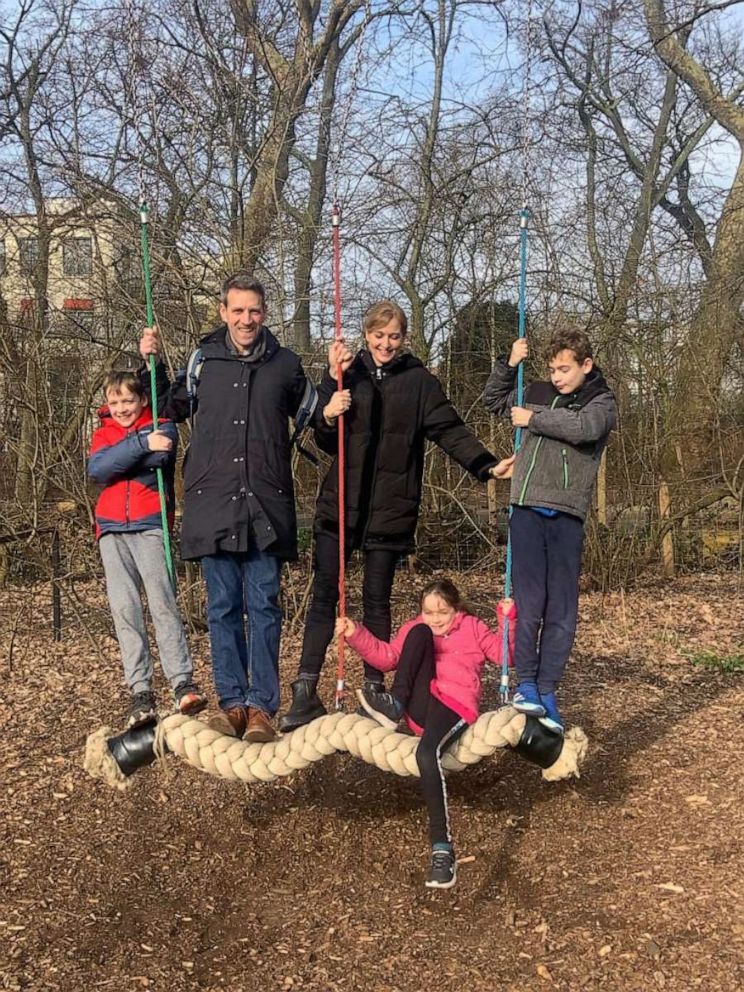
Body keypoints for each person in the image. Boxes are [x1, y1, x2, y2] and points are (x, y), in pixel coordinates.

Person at [279, 299, 514, 733]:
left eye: (394, 336)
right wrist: (332, 396)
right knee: (325, 598)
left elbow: (449, 429)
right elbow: (327, 438)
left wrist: (485, 464)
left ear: (404, 339)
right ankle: (304, 688)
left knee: (376, 602)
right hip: (341, 508)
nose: (386, 343)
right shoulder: (348, 374)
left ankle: (375, 688)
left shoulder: (420, 383)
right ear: (366, 334)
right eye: (378, 335)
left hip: (391, 510)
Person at [138, 272, 315, 743]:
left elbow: (319, 419)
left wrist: (337, 393)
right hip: (213, 502)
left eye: (254, 310)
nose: (246, 319)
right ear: (223, 312)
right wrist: (150, 365)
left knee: (264, 607)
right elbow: (166, 406)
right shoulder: (203, 362)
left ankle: (261, 708)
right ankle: (231, 703)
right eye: (237, 310)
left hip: (266, 505)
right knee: (222, 607)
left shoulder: (287, 365)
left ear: (264, 312)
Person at [482, 327, 617, 733]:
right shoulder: (535, 390)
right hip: (525, 507)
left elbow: (585, 429)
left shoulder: (602, 401)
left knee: (561, 608)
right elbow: (493, 401)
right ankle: (525, 684)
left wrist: (534, 419)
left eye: (565, 369)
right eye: (553, 369)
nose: (557, 377)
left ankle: (547, 689)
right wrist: (509, 365)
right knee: (531, 602)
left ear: (585, 366)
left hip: (567, 513)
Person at [335, 578, 510, 888]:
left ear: (457, 609)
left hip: (454, 705)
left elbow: (507, 655)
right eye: (428, 612)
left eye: (442, 611)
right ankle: (395, 703)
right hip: (421, 704)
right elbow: (388, 658)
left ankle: (442, 850)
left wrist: (507, 619)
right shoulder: (419, 626)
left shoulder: (473, 628)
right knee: (418, 634)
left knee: (425, 753)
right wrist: (355, 634)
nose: (435, 618)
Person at [87, 371, 207, 728]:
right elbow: (99, 469)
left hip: (149, 524)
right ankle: (141, 690)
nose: (122, 408)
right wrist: (140, 446)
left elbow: (159, 458)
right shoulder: (102, 434)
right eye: (115, 401)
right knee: (125, 609)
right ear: (108, 404)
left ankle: (181, 681)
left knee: (162, 602)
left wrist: (129, 456)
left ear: (141, 401)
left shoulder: (162, 425)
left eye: (128, 400)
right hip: (110, 529)